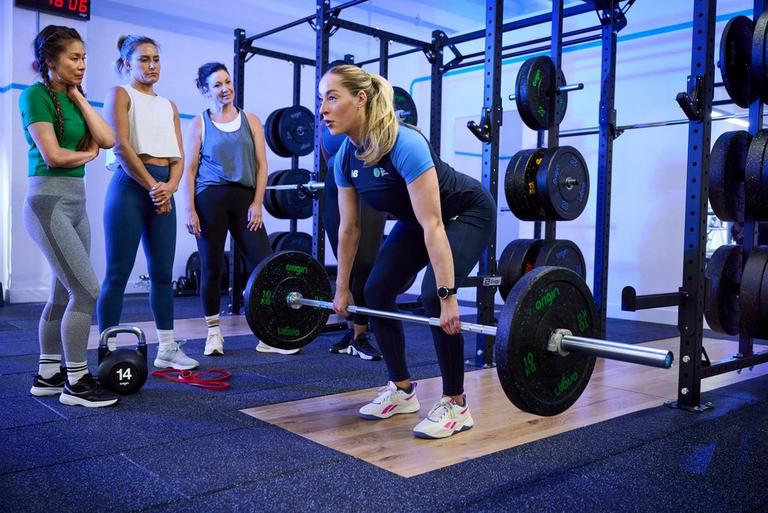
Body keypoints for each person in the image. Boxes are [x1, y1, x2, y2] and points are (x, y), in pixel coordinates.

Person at [320, 65, 496, 439]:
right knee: (377, 291)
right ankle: (401, 390)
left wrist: (448, 298)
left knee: (434, 296)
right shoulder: (344, 159)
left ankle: (456, 402)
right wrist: (342, 288)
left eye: (332, 97)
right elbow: (349, 229)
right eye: (322, 99)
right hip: (421, 220)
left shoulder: (404, 143)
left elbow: (434, 224)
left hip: (464, 213)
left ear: (361, 99)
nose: (323, 108)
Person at [20, 25, 118, 407]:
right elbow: (54, 157)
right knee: (87, 290)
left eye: (84, 58)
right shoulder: (34, 95)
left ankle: (48, 374)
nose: (81, 65)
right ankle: (76, 382)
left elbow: (107, 139)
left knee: (64, 294)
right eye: (74, 58)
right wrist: (87, 156)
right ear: (51, 60)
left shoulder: (76, 97)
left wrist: (77, 96)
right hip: (47, 204)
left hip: (76, 204)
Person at [97, 35, 198, 370]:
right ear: (127, 63)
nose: (152, 65)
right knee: (117, 274)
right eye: (143, 59)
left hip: (160, 190)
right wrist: (156, 187)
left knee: (162, 275)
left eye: (155, 59)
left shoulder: (168, 105)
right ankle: (107, 349)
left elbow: (179, 156)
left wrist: (168, 187)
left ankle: (167, 348)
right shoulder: (120, 94)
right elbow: (122, 147)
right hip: (129, 187)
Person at [183, 62, 295, 356]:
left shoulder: (252, 120)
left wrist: (258, 203)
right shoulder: (199, 124)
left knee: (265, 265)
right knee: (211, 267)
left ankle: (269, 334)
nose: (225, 89)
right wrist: (189, 210)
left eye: (227, 82)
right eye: (217, 85)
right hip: (210, 199)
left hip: (245, 200)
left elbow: (262, 167)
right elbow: (190, 170)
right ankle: (213, 333)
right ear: (206, 90)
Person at [321, 120, 385, 361]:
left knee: (365, 262)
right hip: (336, 184)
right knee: (344, 259)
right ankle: (352, 332)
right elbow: (327, 152)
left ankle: (361, 333)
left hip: (368, 181)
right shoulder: (326, 121)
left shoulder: (372, 116)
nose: (326, 104)